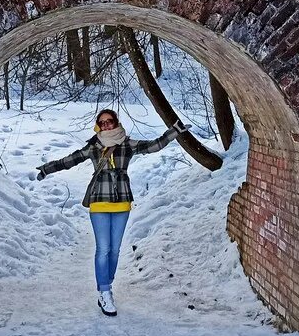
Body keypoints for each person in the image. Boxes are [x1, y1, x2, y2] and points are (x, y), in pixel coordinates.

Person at [33, 109, 187, 316]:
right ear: (98, 125)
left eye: (109, 121)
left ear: (116, 123)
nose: (106, 125)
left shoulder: (127, 144)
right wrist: (47, 169)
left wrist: (174, 131)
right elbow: (70, 160)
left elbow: (153, 146)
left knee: (115, 250)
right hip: (99, 203)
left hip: (122, 202)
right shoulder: (94, 146)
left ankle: (107, 282)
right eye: (102, 122)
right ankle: (104, 292)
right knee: (103, 249)